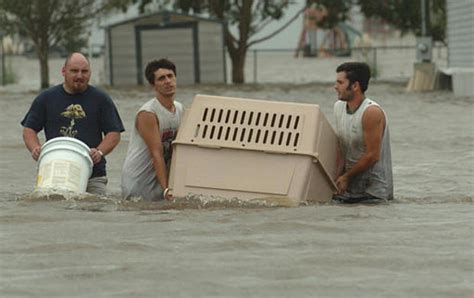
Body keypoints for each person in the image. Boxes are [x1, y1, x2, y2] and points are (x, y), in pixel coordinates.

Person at [21, 52, 125, 195]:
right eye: (74, 71)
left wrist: (99, 151)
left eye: (84, 71)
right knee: (52, 209)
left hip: (93, 175)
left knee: (96, 210)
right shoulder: (46, 98)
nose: (79, 76)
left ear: (90, 73)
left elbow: (114, 133)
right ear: (64, 72)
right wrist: (35, 148)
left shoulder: (101, 99)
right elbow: (29, 129)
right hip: (54, 170)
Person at [121, 58, 184, 201]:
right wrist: (166, 189)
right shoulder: (148, 113)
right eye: (161, 78)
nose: (168, 81)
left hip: (159, 180)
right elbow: (157, 153)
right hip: (138, 181)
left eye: (170, 76)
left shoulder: (180, 109)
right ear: (153, 85)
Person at [332, 62, 393, 204]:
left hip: (373, 193)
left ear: (355, 86)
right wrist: (335, 178)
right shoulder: (338, 107)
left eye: (340, 82)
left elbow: (372, 155)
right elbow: (342, 148)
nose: (335, 86)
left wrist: (346, 177)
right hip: (349, 190)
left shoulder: (371, 112)